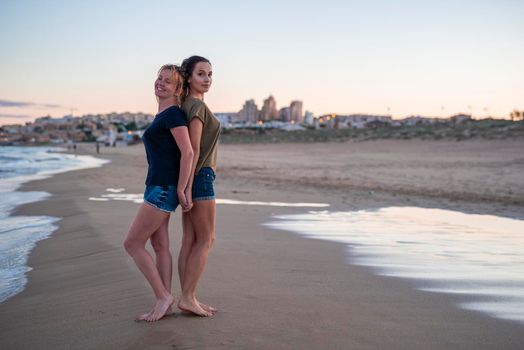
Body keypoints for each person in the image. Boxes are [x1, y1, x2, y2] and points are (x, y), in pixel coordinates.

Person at [123, 64, 194, 322]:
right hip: (156, 186)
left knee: (132, 243)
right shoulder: (163, 115)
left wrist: (181, 188)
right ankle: (165, 302)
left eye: (168, 81)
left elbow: (188, 152)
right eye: (159, 78)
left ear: (177, 90)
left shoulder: (173, 114)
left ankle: (163, 296)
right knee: (159, 245)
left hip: (164, 189)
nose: (160, 83)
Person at [177, 56, 221, 317]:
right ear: (189, 77)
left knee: (190, 240)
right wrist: (189, 187)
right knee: (206, 239)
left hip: (197, 177)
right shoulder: (196, 107)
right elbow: (192, 151)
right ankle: (188, 297)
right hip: (200, 177)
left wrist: (184, 186)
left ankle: (187, 297)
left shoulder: (189, 105)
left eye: (210, 74)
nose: (207, 80)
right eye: (201, 74)